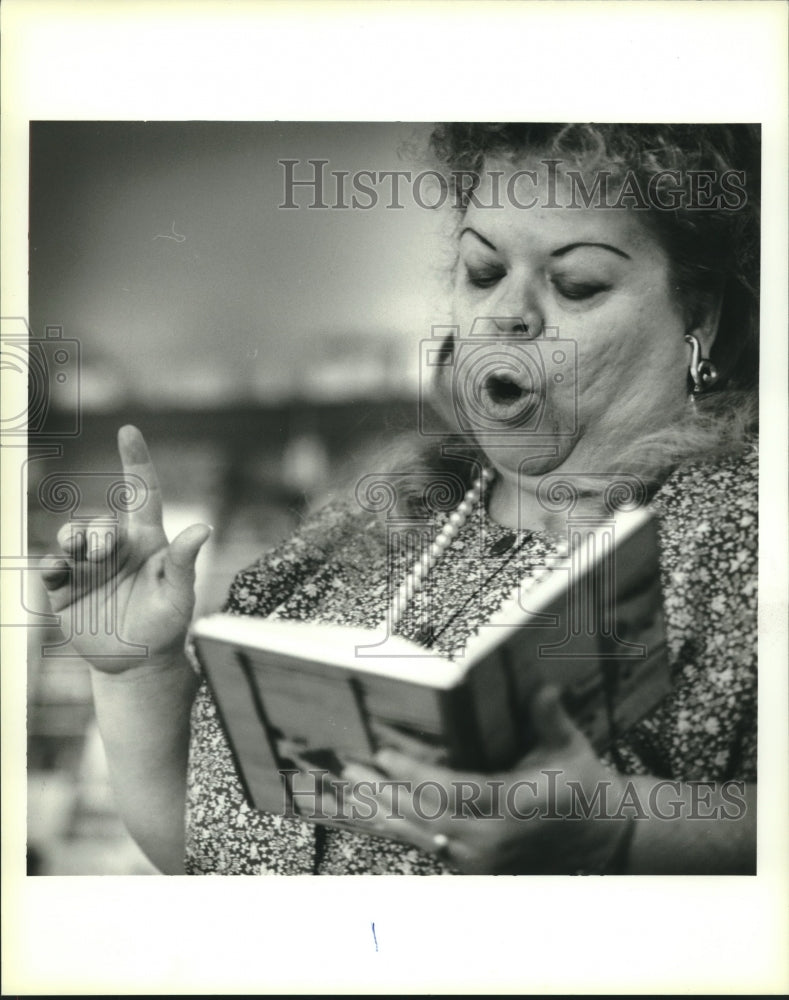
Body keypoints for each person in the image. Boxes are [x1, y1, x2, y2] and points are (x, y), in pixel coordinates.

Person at [40, 123, 759, 875]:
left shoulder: (746, 530)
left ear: (697, 316)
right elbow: (206, 848)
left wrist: (618, 827)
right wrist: (138, 668)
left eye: (574, 284)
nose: (507, 314)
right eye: (482, 272)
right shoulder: (377, 520)